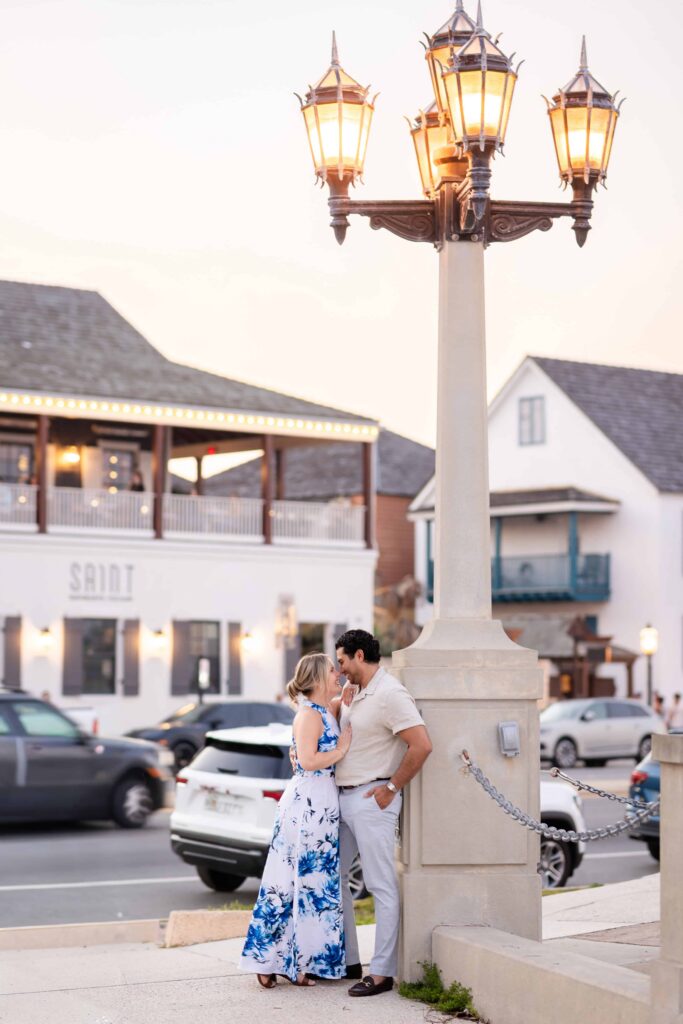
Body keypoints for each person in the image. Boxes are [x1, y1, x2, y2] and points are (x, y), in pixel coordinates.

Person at [240, 653, 352, 989]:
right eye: (332, 670)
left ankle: (301, 963)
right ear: (318, 677)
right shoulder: (307, 716)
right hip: (306, 805)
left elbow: (335, 705)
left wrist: (345, 697)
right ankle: (267, 961)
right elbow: (307, 760)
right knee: (289, 882)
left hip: (323, 804)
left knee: (314, 886)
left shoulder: (324, 710)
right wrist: (341, 751)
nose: (338, 673)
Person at [335, 628, 433, 998]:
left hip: (372, 799)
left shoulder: (390, 693)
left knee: (380, 886)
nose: (340, 668)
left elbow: (422, 745)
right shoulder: (357, 693)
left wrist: (392, 788)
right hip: (343, 798)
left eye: (342, 661)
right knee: (333, 877)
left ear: (360, 655)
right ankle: (347, 960)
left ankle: (381, 973)